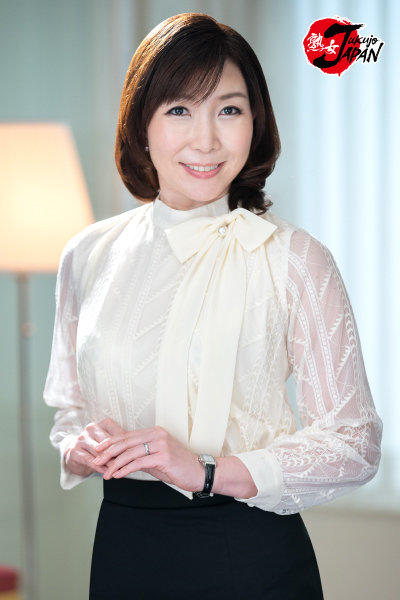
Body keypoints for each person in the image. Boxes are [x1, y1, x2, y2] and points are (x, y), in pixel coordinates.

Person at [44, 13, 382, 600]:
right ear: (141, 124)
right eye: (179, 110)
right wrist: (80, 449)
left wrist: (205, 472)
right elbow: (68, 412)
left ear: (256, 122)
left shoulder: (296, 258)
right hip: (124, 549)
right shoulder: (88, 255)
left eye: (228, 110)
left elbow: (353, 443)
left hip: (249, 555)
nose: (206, 140)